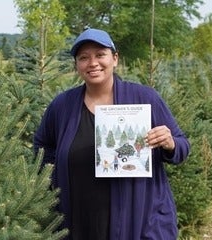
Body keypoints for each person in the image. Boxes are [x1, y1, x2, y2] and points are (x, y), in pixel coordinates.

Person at [33, 28, 190, 240]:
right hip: (80, 223)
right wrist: (55, 182)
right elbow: (42, 148)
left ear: (114, 59)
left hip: (138, 221)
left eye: (100, 55)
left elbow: (182, 147)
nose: (93, 63)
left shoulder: (144, 98)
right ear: (77, 65)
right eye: (84, 57)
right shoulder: (62, 106)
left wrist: (169, 143)